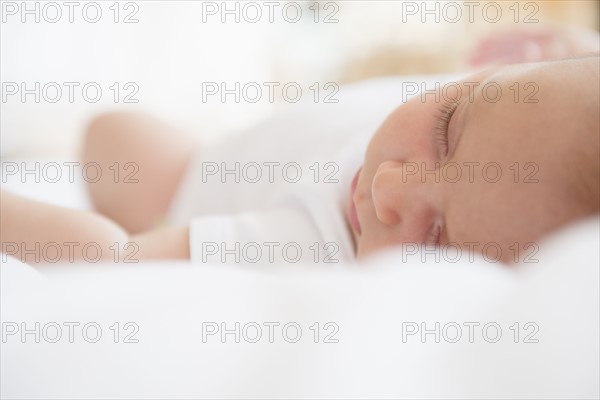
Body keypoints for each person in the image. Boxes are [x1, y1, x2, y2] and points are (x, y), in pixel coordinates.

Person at [1, 26, 598, 264]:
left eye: (435, 238)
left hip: (192, 180)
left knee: (114, 136)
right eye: (448, 130)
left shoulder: (314, 243)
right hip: (259, 140)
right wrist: (567, 46)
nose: (389, 186)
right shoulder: (537, 106)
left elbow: (115, 265)